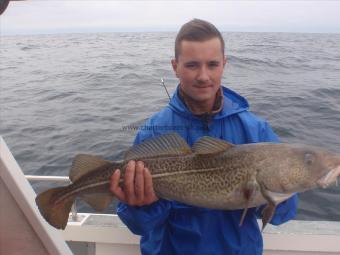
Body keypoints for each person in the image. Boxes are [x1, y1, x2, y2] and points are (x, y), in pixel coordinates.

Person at [110, 19, 298, 255]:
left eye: (212, 64)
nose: (203, 76)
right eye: (191, 65)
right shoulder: (155, 130)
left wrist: (280, 193)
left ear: (224, 65)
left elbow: (281, 216)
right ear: (174, 66)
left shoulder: (255, 131)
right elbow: (138, 225)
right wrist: (142, 206)